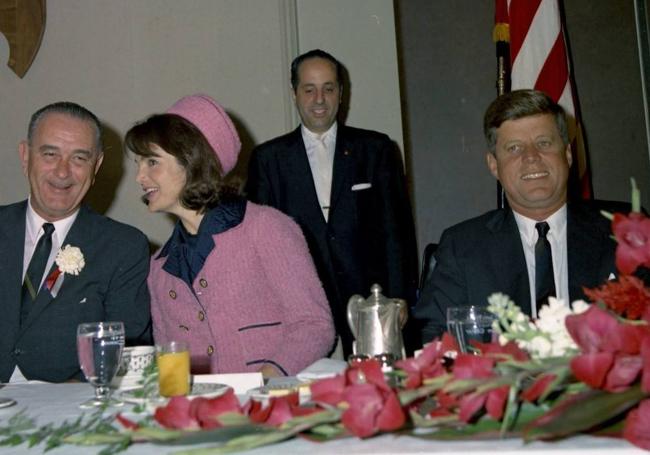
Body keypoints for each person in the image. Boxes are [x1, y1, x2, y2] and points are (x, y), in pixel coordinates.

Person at [126, 94, 335, 377]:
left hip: (270, 410)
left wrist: (265, 381)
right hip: (203, 416)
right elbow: (172, 366)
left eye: (152, 162)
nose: (139, 176)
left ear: (191, 161)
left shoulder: (267, 228)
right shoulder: (159, 268)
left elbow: (314, 325)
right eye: (139, 163)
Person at [414, 89, 629, 343]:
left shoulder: (623, 230)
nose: (531, 157)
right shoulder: (462, 248)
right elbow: (433, 340)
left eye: (544, 143)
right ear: (494, 165)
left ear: (568, 154)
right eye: (514, 148)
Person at [246, 49, 418, 357]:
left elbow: (397, 232)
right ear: (294, 94)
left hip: (370, 303)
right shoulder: (268, 159)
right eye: (309, 90)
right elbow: (260, 245)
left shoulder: (376, 149)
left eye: (328, 88)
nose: (319, 99)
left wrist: (400, 296)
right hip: (300, 304)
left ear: (341, 93)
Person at [0, 102, 152, 383]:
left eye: (79, 159)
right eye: (50, 154)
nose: (62, 172)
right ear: (25, 156)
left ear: (96, 166)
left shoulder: (124, 248)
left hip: (70, 414)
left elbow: (127, 352)